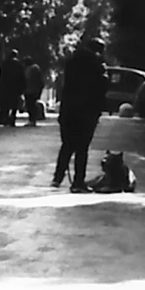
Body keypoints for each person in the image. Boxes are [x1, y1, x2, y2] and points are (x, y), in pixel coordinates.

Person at [52, 35, 108, 191]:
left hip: (69, 110)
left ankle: (57, 178)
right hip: (87, 111)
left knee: (67, 146)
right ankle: (78, 182)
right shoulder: (97, 65)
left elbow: (66, 86)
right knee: (82, 148)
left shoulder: (71, 62)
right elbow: (102, 87)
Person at [0, 50, 25, 126]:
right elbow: (22, 77)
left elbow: (1, 75)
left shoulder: (5, 63)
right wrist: (22, 88)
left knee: (5, 104)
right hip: (15, 87)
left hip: (5, 87)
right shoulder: (19, 64)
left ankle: (4, 118)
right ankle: (12, 120)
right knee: (14, 105)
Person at [24, 56, 46, 125]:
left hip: (30, 90)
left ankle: (32, 120)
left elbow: (27, 79)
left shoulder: (30, 69)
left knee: (30, 105)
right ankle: (33, 120)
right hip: (35, 90)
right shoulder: (36, 68)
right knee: (32, 105)